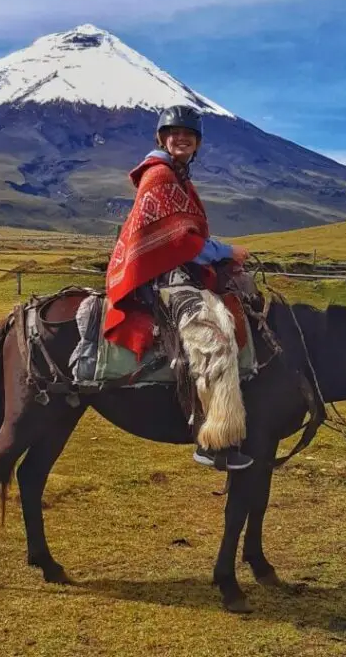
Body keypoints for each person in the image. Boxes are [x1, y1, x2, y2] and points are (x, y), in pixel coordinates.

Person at [105, 105, 253, 471]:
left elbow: (185, 237)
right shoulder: (160, 177)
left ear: (197, 143)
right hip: (162, 277)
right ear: (162, 138)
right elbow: (178, 243)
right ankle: (213, 441)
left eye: (188, 134)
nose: (181, 138)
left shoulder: (178, 177)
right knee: (214, 339)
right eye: (173, 133)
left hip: (177, 271)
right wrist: (226, 250)